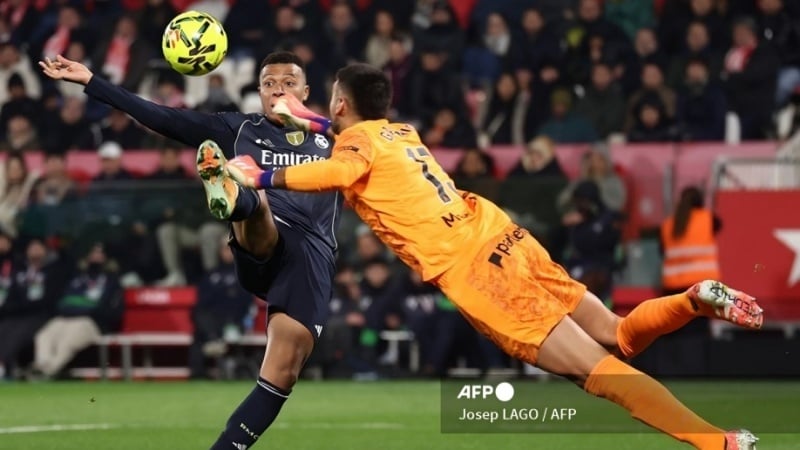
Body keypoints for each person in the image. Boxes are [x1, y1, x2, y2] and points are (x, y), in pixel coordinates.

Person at [226, 63, 764, 450]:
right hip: (503, 235)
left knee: (599, 373)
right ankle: (692, 300)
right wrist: (306, 118)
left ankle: (717, 442)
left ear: (341, 104)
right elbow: (349, 138)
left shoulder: (352, 146)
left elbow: (341, 167)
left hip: (477, 271)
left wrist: (261, 175)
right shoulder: (400, 131)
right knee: (618, 335)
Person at [40, 52, 342, 450]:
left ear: (305, 92)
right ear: (259, 92)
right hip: (259, 237)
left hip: (308, 257)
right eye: (269, 83)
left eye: (288, 82)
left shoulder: (336, 139)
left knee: (281, 374)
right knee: (258, 198)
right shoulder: (238, 128)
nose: (278, 90)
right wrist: (93, 82)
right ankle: (233, 195)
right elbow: (163, 117)